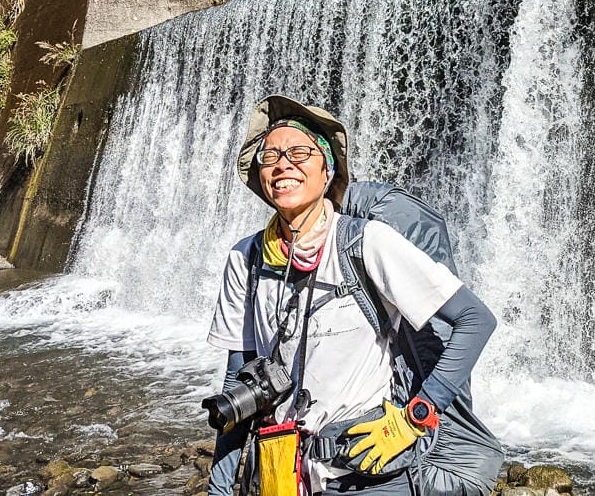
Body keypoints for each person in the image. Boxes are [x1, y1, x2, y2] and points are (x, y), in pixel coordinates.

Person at [207, 95, 499, 496]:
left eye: (299, 152)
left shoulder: (366, 242)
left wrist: (417, 414)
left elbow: (475, 320)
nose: (282, 165)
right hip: (282, 473)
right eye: (270, 155)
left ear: (327, 170)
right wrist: (219, 490)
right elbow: (236, 383)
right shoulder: (246, 258)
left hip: (368, 472)